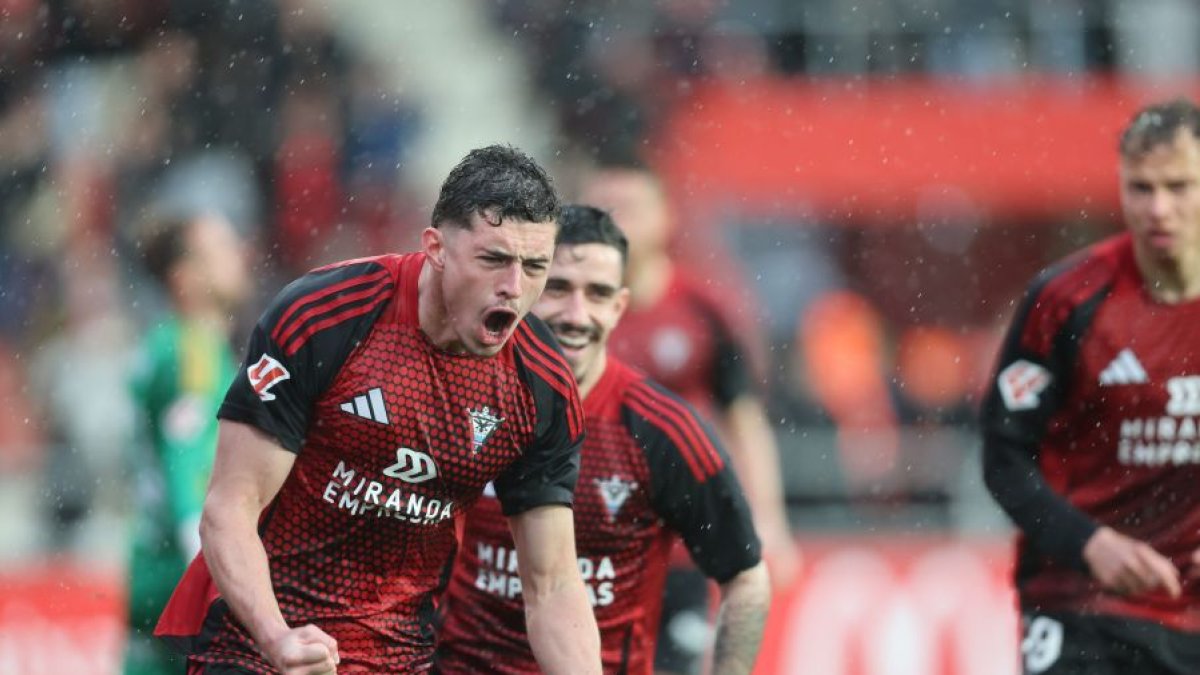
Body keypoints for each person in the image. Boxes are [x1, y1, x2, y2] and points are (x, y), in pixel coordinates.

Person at [155, 145, 601, 674]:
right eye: (494, 260)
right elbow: (229, 508)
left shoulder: (542, 384)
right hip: (253, 645)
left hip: (400, 659)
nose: (514, 286)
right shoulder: (325, 316)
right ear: (435, 247)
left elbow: (551, 585)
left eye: (535, 267)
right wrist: (280, 640)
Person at [436, 205, 770, 674]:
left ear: (618, 308)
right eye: (557, 289)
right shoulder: (458, 397)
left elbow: (746, 577)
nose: (577, 315)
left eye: (597, 294)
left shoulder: (663, 429)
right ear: (524, 286)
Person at [982, 98, 1200, 675]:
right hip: (1077, 600)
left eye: (1180, 187)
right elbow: (1003, 457)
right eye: (1141, 188)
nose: (1160, 209)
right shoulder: (1066, 301)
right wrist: (1088, 543)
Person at [578, 157, 797, 673]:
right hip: (581, 542)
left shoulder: (705, 308)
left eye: (629, 207)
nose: (616, 220)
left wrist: (771, 520)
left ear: (666, 217)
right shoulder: (562, 311)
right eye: (603, 208)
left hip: (678, 546)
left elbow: (744, 418)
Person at [124, 212, 250, 675]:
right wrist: (213, 570)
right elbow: (188, 466)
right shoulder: (193, 350)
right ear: (186, 279)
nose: (241, 253)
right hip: (184, 571)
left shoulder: (168, 344)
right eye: (221, 248)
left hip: (151, 561)